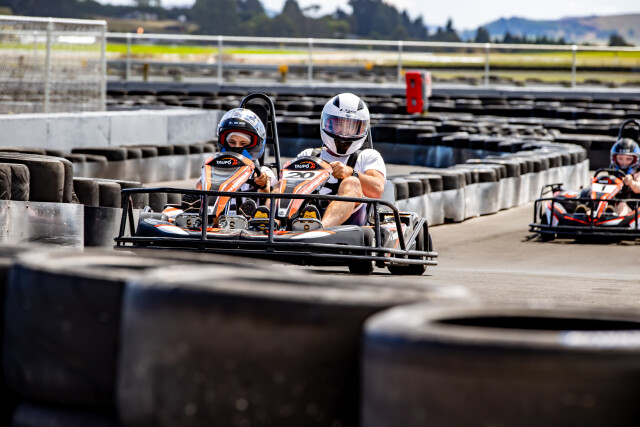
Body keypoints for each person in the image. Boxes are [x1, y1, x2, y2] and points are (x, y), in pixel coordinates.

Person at [294, 93, 386, 228]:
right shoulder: (309, 155)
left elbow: (377, 190)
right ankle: (272, 223)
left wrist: (351, 173)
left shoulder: (368, 156)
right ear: (327, 123)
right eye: (339, 125)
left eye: (351, 127)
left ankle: (320, 228)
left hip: (353, 224)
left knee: (352, 183)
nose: (344, 132)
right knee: (284, 182)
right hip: (305, 215)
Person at [610, 137, 640, 216]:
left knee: (622, 205)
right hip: (613, 205)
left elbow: (638, 188)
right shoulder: (613, 173)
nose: (624, 162)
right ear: (615, 159)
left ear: (635, 160)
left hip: (634, 209)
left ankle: (618, 220)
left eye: (628, 159)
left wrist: (631, 183)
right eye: (620, 158)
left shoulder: (637, 174)